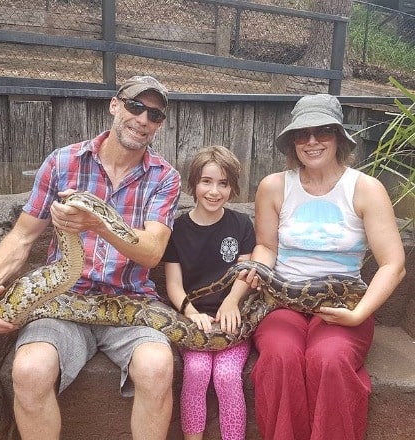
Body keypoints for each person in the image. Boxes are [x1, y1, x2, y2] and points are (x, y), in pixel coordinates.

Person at [0, 75, 181, 440]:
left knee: (157, 367)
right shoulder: (63, 162)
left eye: (154, 114)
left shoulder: (165, 177)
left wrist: (98, 224)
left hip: (131, 302)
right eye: (136, 106)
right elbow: (23, 235)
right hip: (63, 299)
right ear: (115, 105)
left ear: (160, 124)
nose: (143, 119)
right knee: (29, 370)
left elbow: (152, 252)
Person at [243, 94, 406, 440]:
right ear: (292, 141)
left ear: (339, 137)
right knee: (280, 357)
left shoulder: (365, 189)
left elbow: (394, 264)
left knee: (330, 359)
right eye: (302, 134)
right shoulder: (274, 186)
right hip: (282, 301)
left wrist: (359, 314)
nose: (312, 141)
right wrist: (256, 270)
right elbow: (267, 247)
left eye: (323, 132)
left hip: (344, 304)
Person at [163, 145, 256, 440]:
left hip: (233, 321)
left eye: (223, 183)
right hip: (194, 322)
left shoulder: (241, 224)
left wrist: (231, 302)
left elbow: (244, 272)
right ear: (194, 183)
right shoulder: (176, 229)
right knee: (196, 371)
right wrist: (191, 313)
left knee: (228, 376)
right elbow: (173, 284)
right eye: (207, 181)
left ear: (232, 187)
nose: (214, 191)